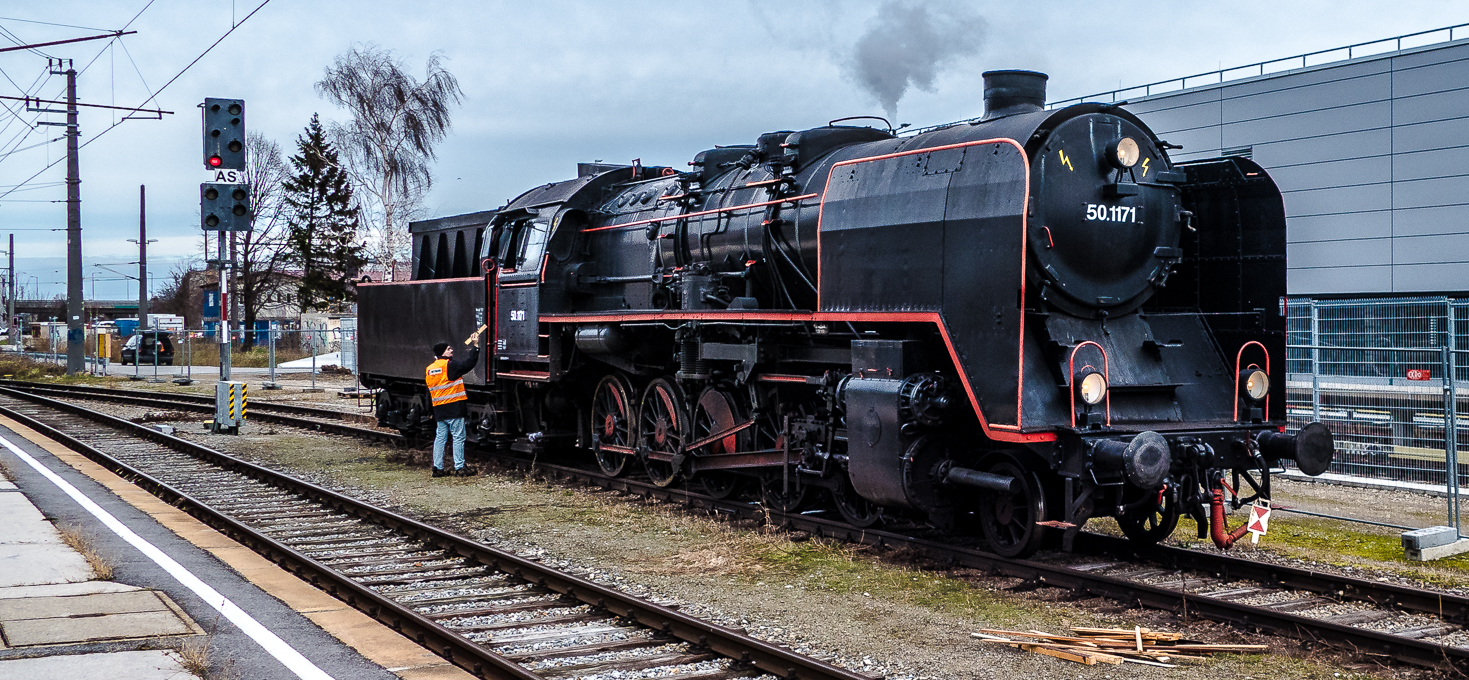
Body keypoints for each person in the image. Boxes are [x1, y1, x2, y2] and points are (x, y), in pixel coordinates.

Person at [425, 336, 481, 477]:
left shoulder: (430, 369)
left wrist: (429, 410)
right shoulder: (450, 365)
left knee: (440, 438)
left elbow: (429, 392)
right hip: (454, 408)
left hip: (439, 410)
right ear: (443, 352)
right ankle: (460, 467)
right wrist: (475, 347)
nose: (452, 350)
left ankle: (437, 468)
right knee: (458, 437)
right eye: (449, 349)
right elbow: (469, 364)